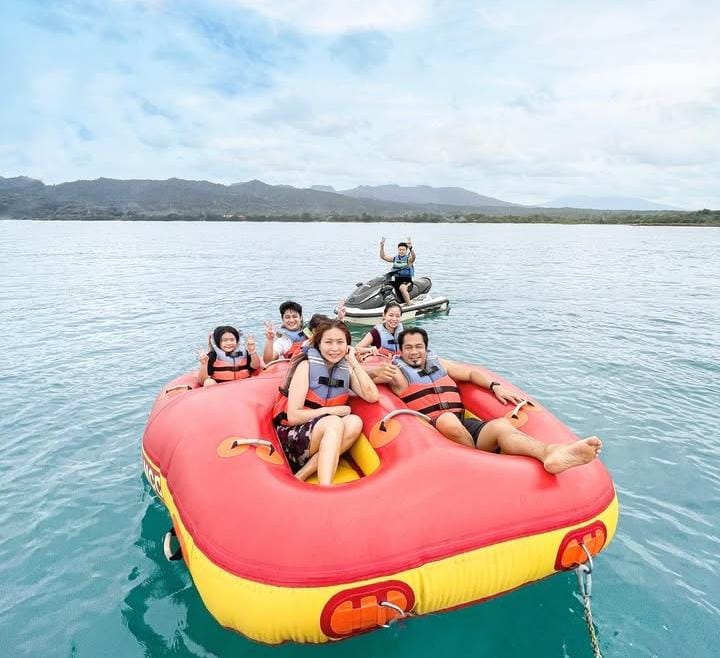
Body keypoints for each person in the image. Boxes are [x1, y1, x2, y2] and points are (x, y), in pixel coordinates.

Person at [373, 328, 602, 474]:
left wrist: (495, 386)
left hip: (464, 427)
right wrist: (363, 365)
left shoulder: (440, 365)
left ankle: (550, 453)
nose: (414, 352)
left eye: (419, 347)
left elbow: (471, 373)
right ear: (400, 351)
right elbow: (368, 380)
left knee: (501, 425)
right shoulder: (396, 373)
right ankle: (486, 466)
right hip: (433, 433)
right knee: (447, 420)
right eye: (408, 348)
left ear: (426, 348)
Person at [272, 320, 379, 485]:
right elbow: (293, 416)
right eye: (328, 342)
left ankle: (301, 475)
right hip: (293, 438)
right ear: (319, 344)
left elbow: (372, 396)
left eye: (340, 342)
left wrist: (353, 361)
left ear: (347, 345)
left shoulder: (345, 369)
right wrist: (332, 412)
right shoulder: (306, 366)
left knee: (354, 422)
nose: (334, 348)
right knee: (334, 422)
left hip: (323, 434)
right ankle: (326, 488)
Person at [263, 301, 347, 363]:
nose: (291, 320)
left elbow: (331, 332)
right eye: (287, 317)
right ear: (283, 319)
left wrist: (340, 318)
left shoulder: (309, 328)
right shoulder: (284, 341)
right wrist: (270, 340)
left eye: (294, 316)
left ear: (301, 317)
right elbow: (268, 361)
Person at [379, 237, 416, 305]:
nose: (401, 251)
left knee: (402, 288)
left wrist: (411, 248)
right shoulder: (395, 259)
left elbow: (414, 257)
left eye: (403, 250)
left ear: (406, 250)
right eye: (400, 250)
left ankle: (409, 304)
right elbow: (383, 256)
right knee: (383, 285)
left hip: (407, 281)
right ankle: (385, 302)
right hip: (396, 280)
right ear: (398, 250)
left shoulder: (409, 260)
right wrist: (382, 246)